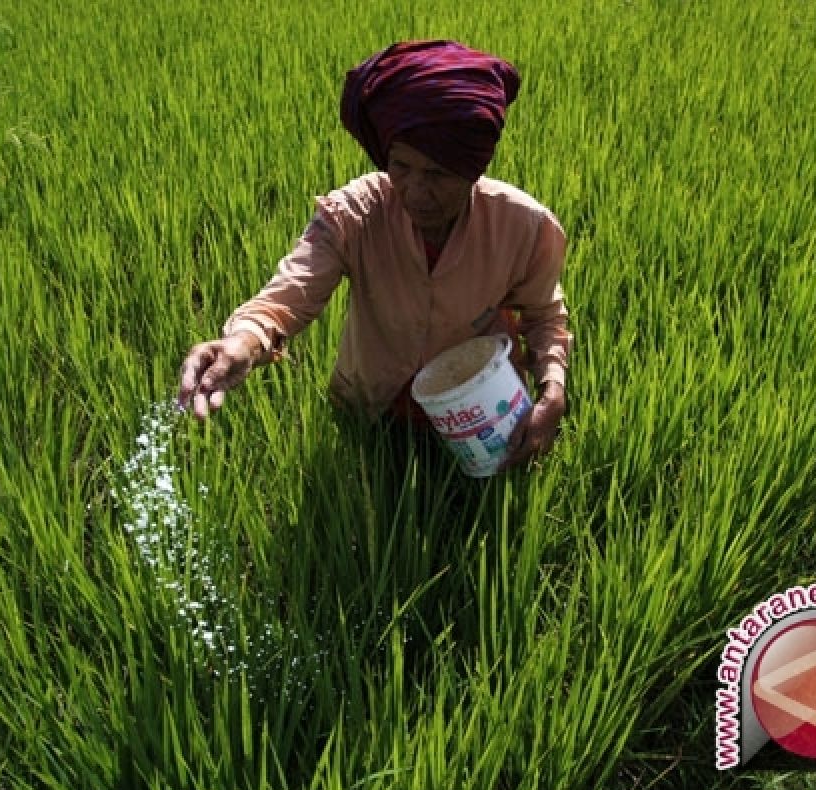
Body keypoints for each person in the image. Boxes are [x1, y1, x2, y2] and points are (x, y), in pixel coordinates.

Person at [177, 40, 572, 472]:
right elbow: (290, 293)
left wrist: (552, 387)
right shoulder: (355, 212)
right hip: (371, 410)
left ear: (472, 169)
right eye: (400, 167)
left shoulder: (523, 227)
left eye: (438, 174)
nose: (416, 192)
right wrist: (243, 342)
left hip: (483, 414)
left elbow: (543, 316)